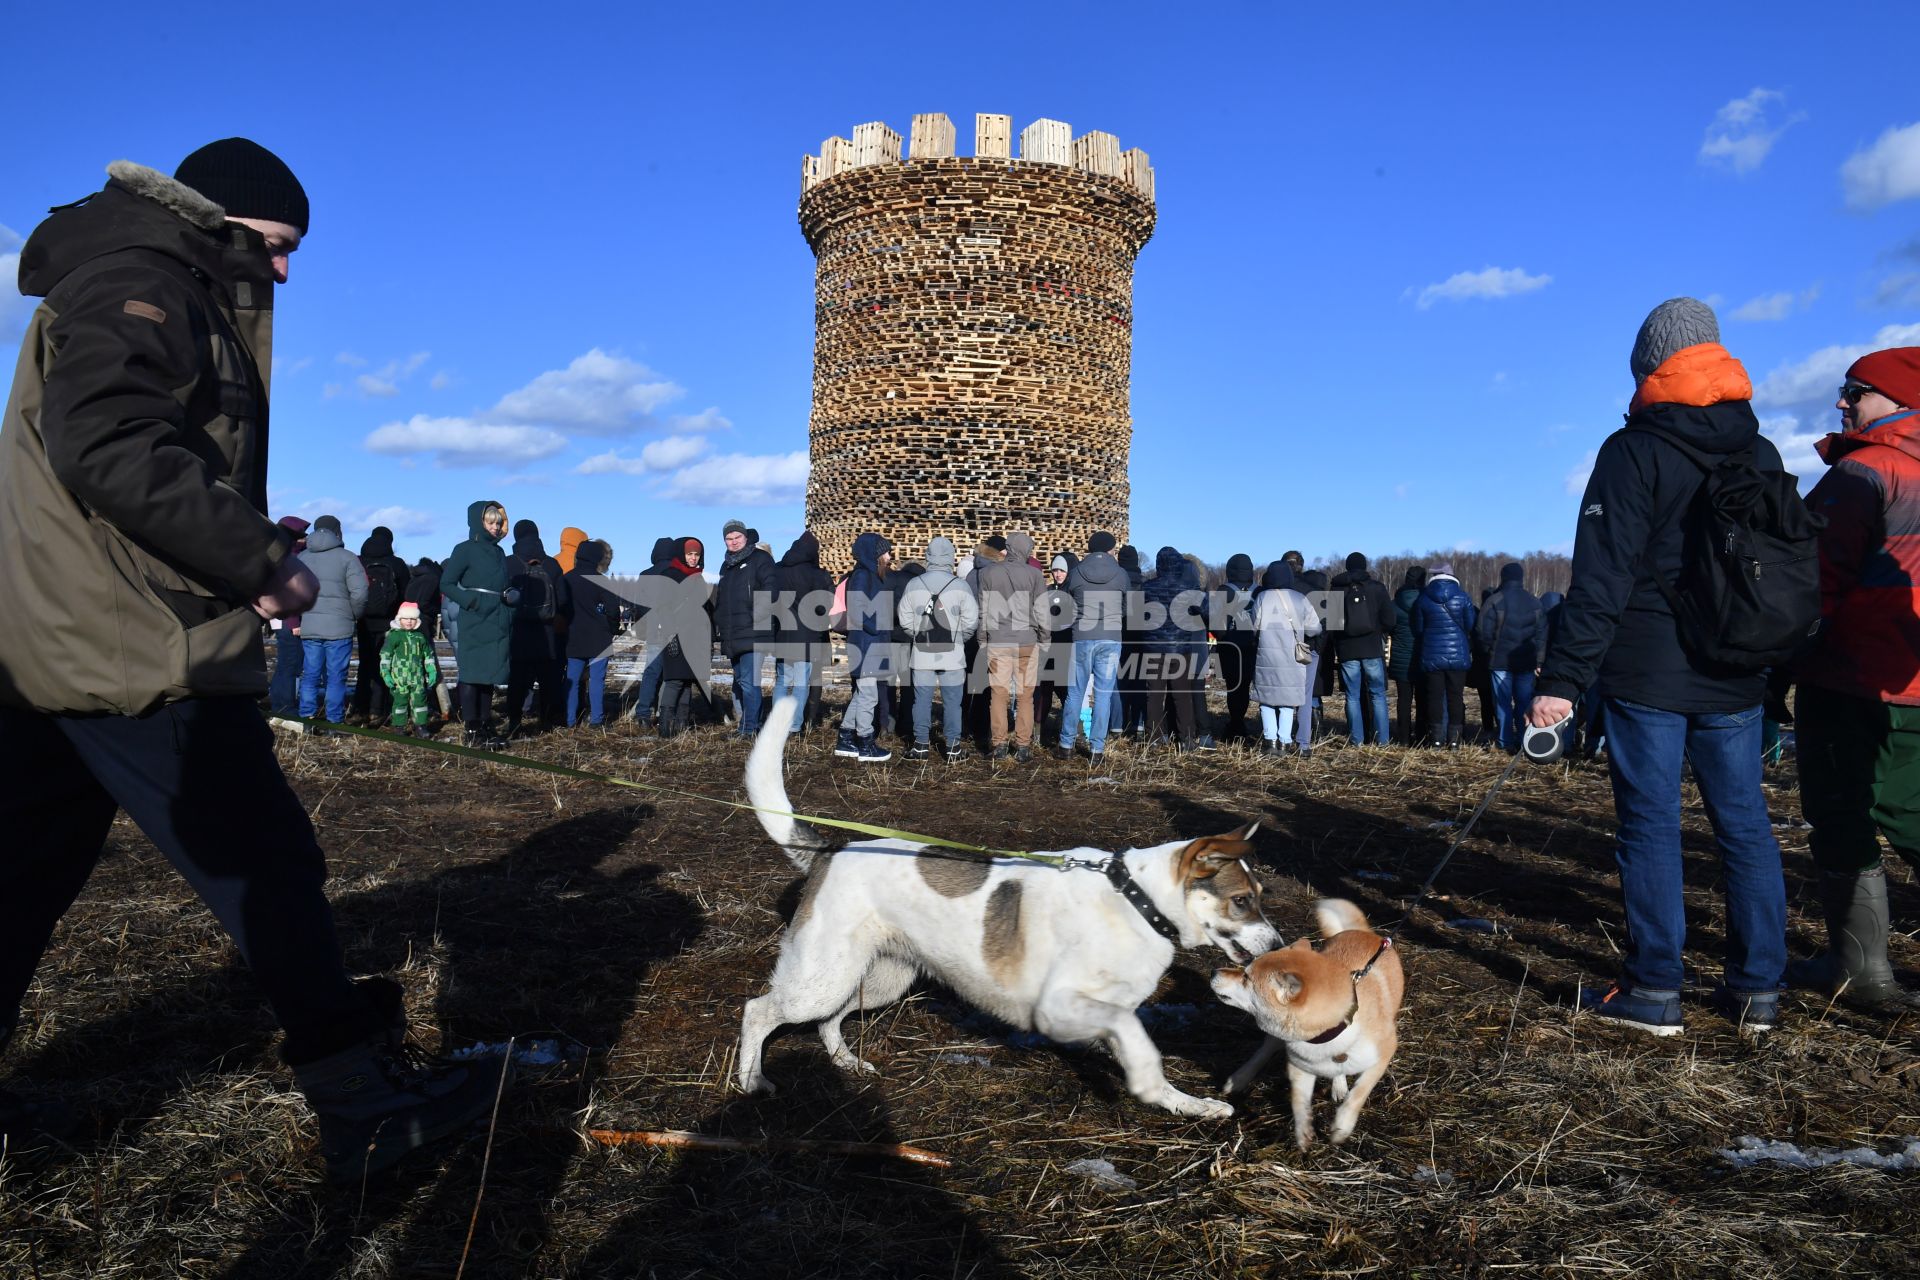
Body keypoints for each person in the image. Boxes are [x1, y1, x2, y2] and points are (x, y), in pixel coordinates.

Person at [0, 141, 499, 1174]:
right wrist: (260, 561)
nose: (282, 273)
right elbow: (110, 445)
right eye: (273, 247)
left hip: (62, 636)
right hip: (138, 642)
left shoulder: (140, 276)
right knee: (270, 869)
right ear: (213, 222)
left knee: (17, 875)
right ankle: (362, 1101)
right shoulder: (143, 281)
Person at [1532, 297, 1788, 1034]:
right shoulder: (1759, 450)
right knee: (1745, 826)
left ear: (1650, 366)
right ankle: (1758, 990)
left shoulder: (1634, 451)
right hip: (1736, 669)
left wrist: (1561, 682)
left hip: (1648, 671)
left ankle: (1653, 990)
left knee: (1650, 826)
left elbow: (1603, 577)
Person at [1782, 346, 1920, 1009]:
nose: (1842, 400)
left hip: (1851, 676)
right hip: (1914, 676)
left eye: (1856, 390)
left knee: (1841, 815)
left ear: (1894, 401)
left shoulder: (1864, 471)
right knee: (1915, 816)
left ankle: (1860, 971)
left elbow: (1813, 583)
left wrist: (1782, 661)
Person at [442, 500, 515, 749]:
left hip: (497, 618)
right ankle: (471, 726)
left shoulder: (499, 552)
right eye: (490, 522)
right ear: (478, 522)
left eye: (498, 523)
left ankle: (485, 723)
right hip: (474, 619)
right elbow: (447, 583)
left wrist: (509, 598)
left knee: (489, 674)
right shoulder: (464, 549)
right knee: (473, 675)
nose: (495, 527)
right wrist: (471, 600)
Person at [899, 536, 980, 760]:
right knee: (953, 702)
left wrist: (918, 635)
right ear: (951, 557)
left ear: (928, 556)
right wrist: (958, 639)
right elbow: (972, 620)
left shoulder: (914, 584)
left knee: (921, 701)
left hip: (922, 655)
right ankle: (953, 748)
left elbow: (904, 619)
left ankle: (921, 746)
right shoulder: (961, 585)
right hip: (952, 655)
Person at [973, 532, 1049, 760]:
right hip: (1027, 641)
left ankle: (999, 744)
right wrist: (1045, 640)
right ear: (1026, 550)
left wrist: (982, 639)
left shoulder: (988, 573)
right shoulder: (1035, 575)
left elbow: (983, 611)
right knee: (1026, 696)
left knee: (998, 694)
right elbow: (1042, 611)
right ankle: (1023, 746)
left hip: (998, 640)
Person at [1057, 531, 1127, 762]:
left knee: (1075, 693)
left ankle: (1066, 744)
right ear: (1109, 549)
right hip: (1110, 638)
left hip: (1082, 637)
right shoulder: (1120, 574)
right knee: (1104, 695)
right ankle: (1097, 749)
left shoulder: (1076, 573)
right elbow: (1129, 607)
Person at [295, 515, 367, 724]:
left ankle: (307, 718)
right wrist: (353, 614)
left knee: (310, 674)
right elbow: (360, 593)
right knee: (336, 677)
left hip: (310, 624)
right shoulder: (348, 558)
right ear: (338, 532)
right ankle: (334, 721)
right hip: (339, 626)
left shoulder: (302, 558)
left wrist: (303, 613)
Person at [504, 519, 570, 736]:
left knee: (518, 682)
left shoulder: (509, 563)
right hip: (547, 635)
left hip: (518, 634)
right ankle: (547, 722)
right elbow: (563, 601)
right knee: (548, 682)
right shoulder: (551, 564)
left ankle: (514, 721)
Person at [1250, 560, 1321, 754]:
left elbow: (1254, 626)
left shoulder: (1262, 597)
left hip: (1267, 656)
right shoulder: (1300, 598)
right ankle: (1285, 741)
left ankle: (1270, 741)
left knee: (1266, 699)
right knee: (1288, 700)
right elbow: (1315, 628)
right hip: (1292, 657)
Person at [836, 532, 896, 763]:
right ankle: (865, 744)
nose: (890, 556)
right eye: (886, 552)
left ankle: (845, 738)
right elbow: (858, 608)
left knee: (862, 694)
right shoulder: (862, 575)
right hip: (866, 644)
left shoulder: (872, 575)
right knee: (869, 696)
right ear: (875, 554)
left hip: (871, 643)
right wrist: (877, 628)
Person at [715, 519, 777, 738]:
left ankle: (750, 728)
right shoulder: (726, 565)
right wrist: (719, 624)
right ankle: (747, 725)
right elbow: (721, 599)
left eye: (737, 537)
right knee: (741, 682)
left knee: (750, 683)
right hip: (733, 634)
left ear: (746, 537)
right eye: (729, 539)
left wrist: (756, 617)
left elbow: (771, 590)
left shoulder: (760, 559)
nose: (733, 542)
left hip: (753, 632)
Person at [1140, 546, 1205, 750]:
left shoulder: (1146, 588)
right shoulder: (1188, 589)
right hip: (1180, 649)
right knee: (1182, 695)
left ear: (1159, 565)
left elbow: (1133, 617)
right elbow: (1209, 612)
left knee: (1154, 695)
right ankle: (1186, 738)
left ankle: (1154, 738)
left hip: (1153, 648)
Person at [1477, 562, 1544, 752]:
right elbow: (1541, 634)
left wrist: (1489, 651)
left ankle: (1505, 741)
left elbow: (1482, 632)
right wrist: (1538, 660)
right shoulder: (1534, 602)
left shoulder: (1494, 601)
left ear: (1503, 577)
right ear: (1521, 578)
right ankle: (1524, 740)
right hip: (1526, 662)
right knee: (1524, 701)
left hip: (1500, 661)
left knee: (1502, 703)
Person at [770, 532, 832, 734]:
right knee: (800, 683)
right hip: (806, 638)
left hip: (782, 635)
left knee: (782, 681)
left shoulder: (777, 571)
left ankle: (777, 723)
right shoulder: (817, 575)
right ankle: (795, 724)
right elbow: (825, 607)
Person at [348, 525, 410, 724]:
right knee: (385, 666)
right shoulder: (397, 563)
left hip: (364, 621)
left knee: (365, 665)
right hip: (388, 622)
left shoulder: (359, 562)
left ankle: (359, 708)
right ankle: (377, 710)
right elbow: (405, 593)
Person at [1331, 552, 1393, 746]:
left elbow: (1332, 624)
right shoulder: (1377, 588)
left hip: (1347, 649)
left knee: (1352, 696)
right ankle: (1382, 741)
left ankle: (1357, 740)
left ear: (1347, 567)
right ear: (1365, 566)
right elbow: (1391, 620)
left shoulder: (1336, 590)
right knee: (1378, 695)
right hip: (1372, 648)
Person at [1411, 561, 1475, 749]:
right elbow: (1470, 625)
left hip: (1432, 654)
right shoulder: (1463, 597)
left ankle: (1436, 740)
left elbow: (1418, 629)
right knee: (1456, 697)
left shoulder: (1423, 599)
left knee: (1435, 697)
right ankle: (1454, 741)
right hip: (1458, 655)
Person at [563, 539, 619, 727]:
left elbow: (561, 606)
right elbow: (613, 610)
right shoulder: (602, 581)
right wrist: (611, 629)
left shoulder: (567, 578)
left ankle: (569, 720)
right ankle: (596, 720)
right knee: (597, 680)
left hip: (573, 637)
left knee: (572, 680)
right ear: (597, 558)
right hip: (599, 639)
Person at [268, 515, 311, 716]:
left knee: (284, 664)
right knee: (291, 665)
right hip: (289, 621)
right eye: (302, 535)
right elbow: (288, 592)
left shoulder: (276, 555)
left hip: (280, 620)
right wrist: (294, 621)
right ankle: (285, 708)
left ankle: (278, 704)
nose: (306, 538)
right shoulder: (289, 559)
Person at [1216, 553, 1259, 742]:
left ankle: (1235, 723)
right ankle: (1241, 722)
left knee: (1233, 687)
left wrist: (1224, 638)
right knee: (1247, 686)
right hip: (1254, 646)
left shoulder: (1224, 591)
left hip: (1230, 646)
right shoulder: (1260, 591)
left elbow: (1217, 624)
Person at [379, 601, 439, 736]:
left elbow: (428, 655)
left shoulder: (420, 637)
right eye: (405, 618)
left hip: (417, 677)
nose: (409, 622)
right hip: (399, 678)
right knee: (400, 701)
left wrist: (431, 670)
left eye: (412, 619)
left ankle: (420, 726)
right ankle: (399, 727)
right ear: (399, 619)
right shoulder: (394, 636)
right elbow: (385, 656)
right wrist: (386, 674)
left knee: (420, 701)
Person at [1388, 565, 1427, 744]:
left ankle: (1403, 737)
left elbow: (1387, 626)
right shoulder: (1428, 601)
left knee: (1403, 699)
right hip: (1422, 658)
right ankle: (1420, 735)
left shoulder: (1395, 603)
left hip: (1400, 657)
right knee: (1422, 699)